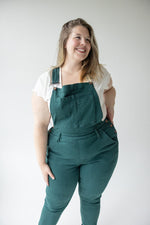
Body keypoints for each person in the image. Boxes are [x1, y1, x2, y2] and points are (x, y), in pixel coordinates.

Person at [32, 18, 119, 225]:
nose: (84, 44)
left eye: (88, 40)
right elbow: (40, 125)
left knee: (91, 199)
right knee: (55, 202)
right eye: (78, 37)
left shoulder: (97, 73)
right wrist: (42, 162)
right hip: (62, 152)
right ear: (65, 42)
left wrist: (110, 110)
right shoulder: (48, 80)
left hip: (100, 149)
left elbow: (110, 89)